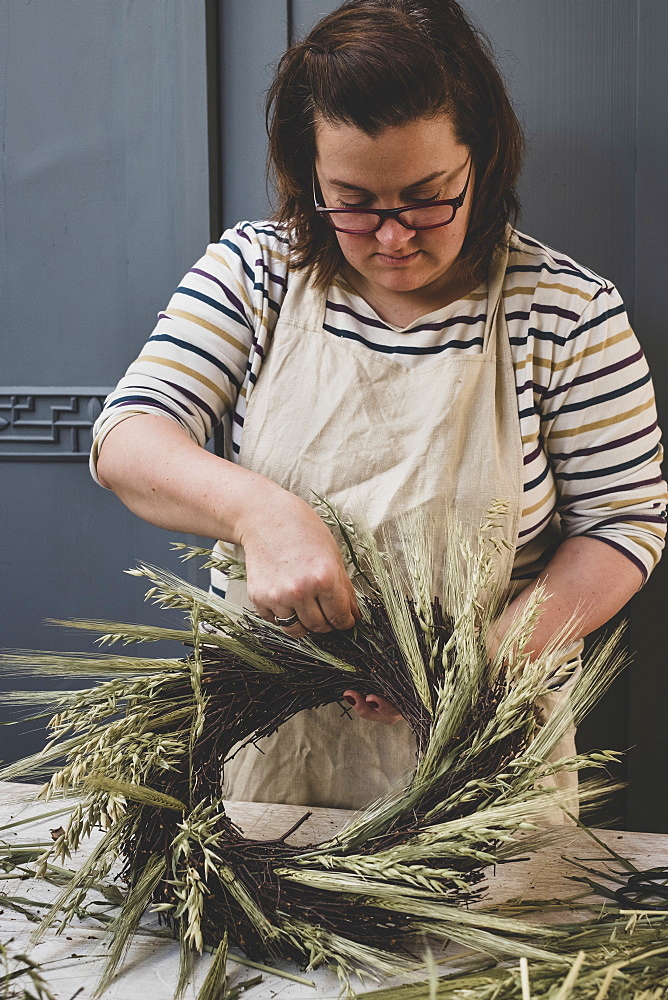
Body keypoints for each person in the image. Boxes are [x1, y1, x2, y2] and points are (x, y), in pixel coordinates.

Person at [91, 0, 666, 814]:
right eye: (353, 201)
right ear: (307, 177)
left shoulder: (568, 312)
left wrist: (481, 665)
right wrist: (263, 515)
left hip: (485, 751)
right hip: (272, 756)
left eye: (430, 197)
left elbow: (626, 522)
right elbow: (128, 438)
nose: (393, 236)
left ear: (484, 161)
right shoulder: (255, 275)